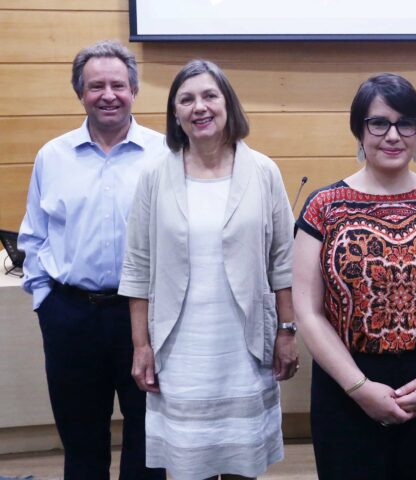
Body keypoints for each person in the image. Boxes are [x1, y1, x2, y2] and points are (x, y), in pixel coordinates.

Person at [292, 73, 416, 480]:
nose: (393, 135)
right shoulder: (323, 207)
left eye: (406, 123)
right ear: (360, 130)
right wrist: (359, 387)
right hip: (347, 385)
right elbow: (307, 311)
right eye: (379, 123)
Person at [118, 59, 298, 480]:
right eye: (186, 99)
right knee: (188, 467)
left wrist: (287, 332)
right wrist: (141, 345)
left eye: (209, 96)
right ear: (175, 113)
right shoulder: (154, 175)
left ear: (227, 104)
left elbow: (283, 261)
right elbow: (138, 265)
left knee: (242, 466)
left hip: (245, 348)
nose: (199, 107)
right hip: (180, 352)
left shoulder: (263, 171)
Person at [17, 40, 167, 480]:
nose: (108, 95)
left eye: (118, 85)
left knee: (148, 442)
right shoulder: (52, 156)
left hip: (146, 317)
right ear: (80, 93)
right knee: (81, 442)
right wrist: (46, 302)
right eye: (96, 86)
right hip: (71, 317)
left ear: (134, 90)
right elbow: (34, 236)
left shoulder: (165, 154)